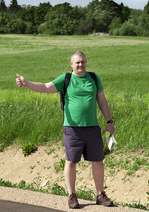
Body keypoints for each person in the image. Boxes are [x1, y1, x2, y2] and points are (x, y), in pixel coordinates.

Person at [16, 51, 115, 209]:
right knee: (71, 162)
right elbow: (46, 87)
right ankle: (72, 196)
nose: (80, 65)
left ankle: (100, 195)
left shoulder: (94, 78)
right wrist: (27, 83)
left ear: (86, 62)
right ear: (71, 64)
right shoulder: (66, 78)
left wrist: (109, 122)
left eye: (83, 62)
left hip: (92, 128)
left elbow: (102, 101)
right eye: (77, 63)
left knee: (98, 162)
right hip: (72, 129)